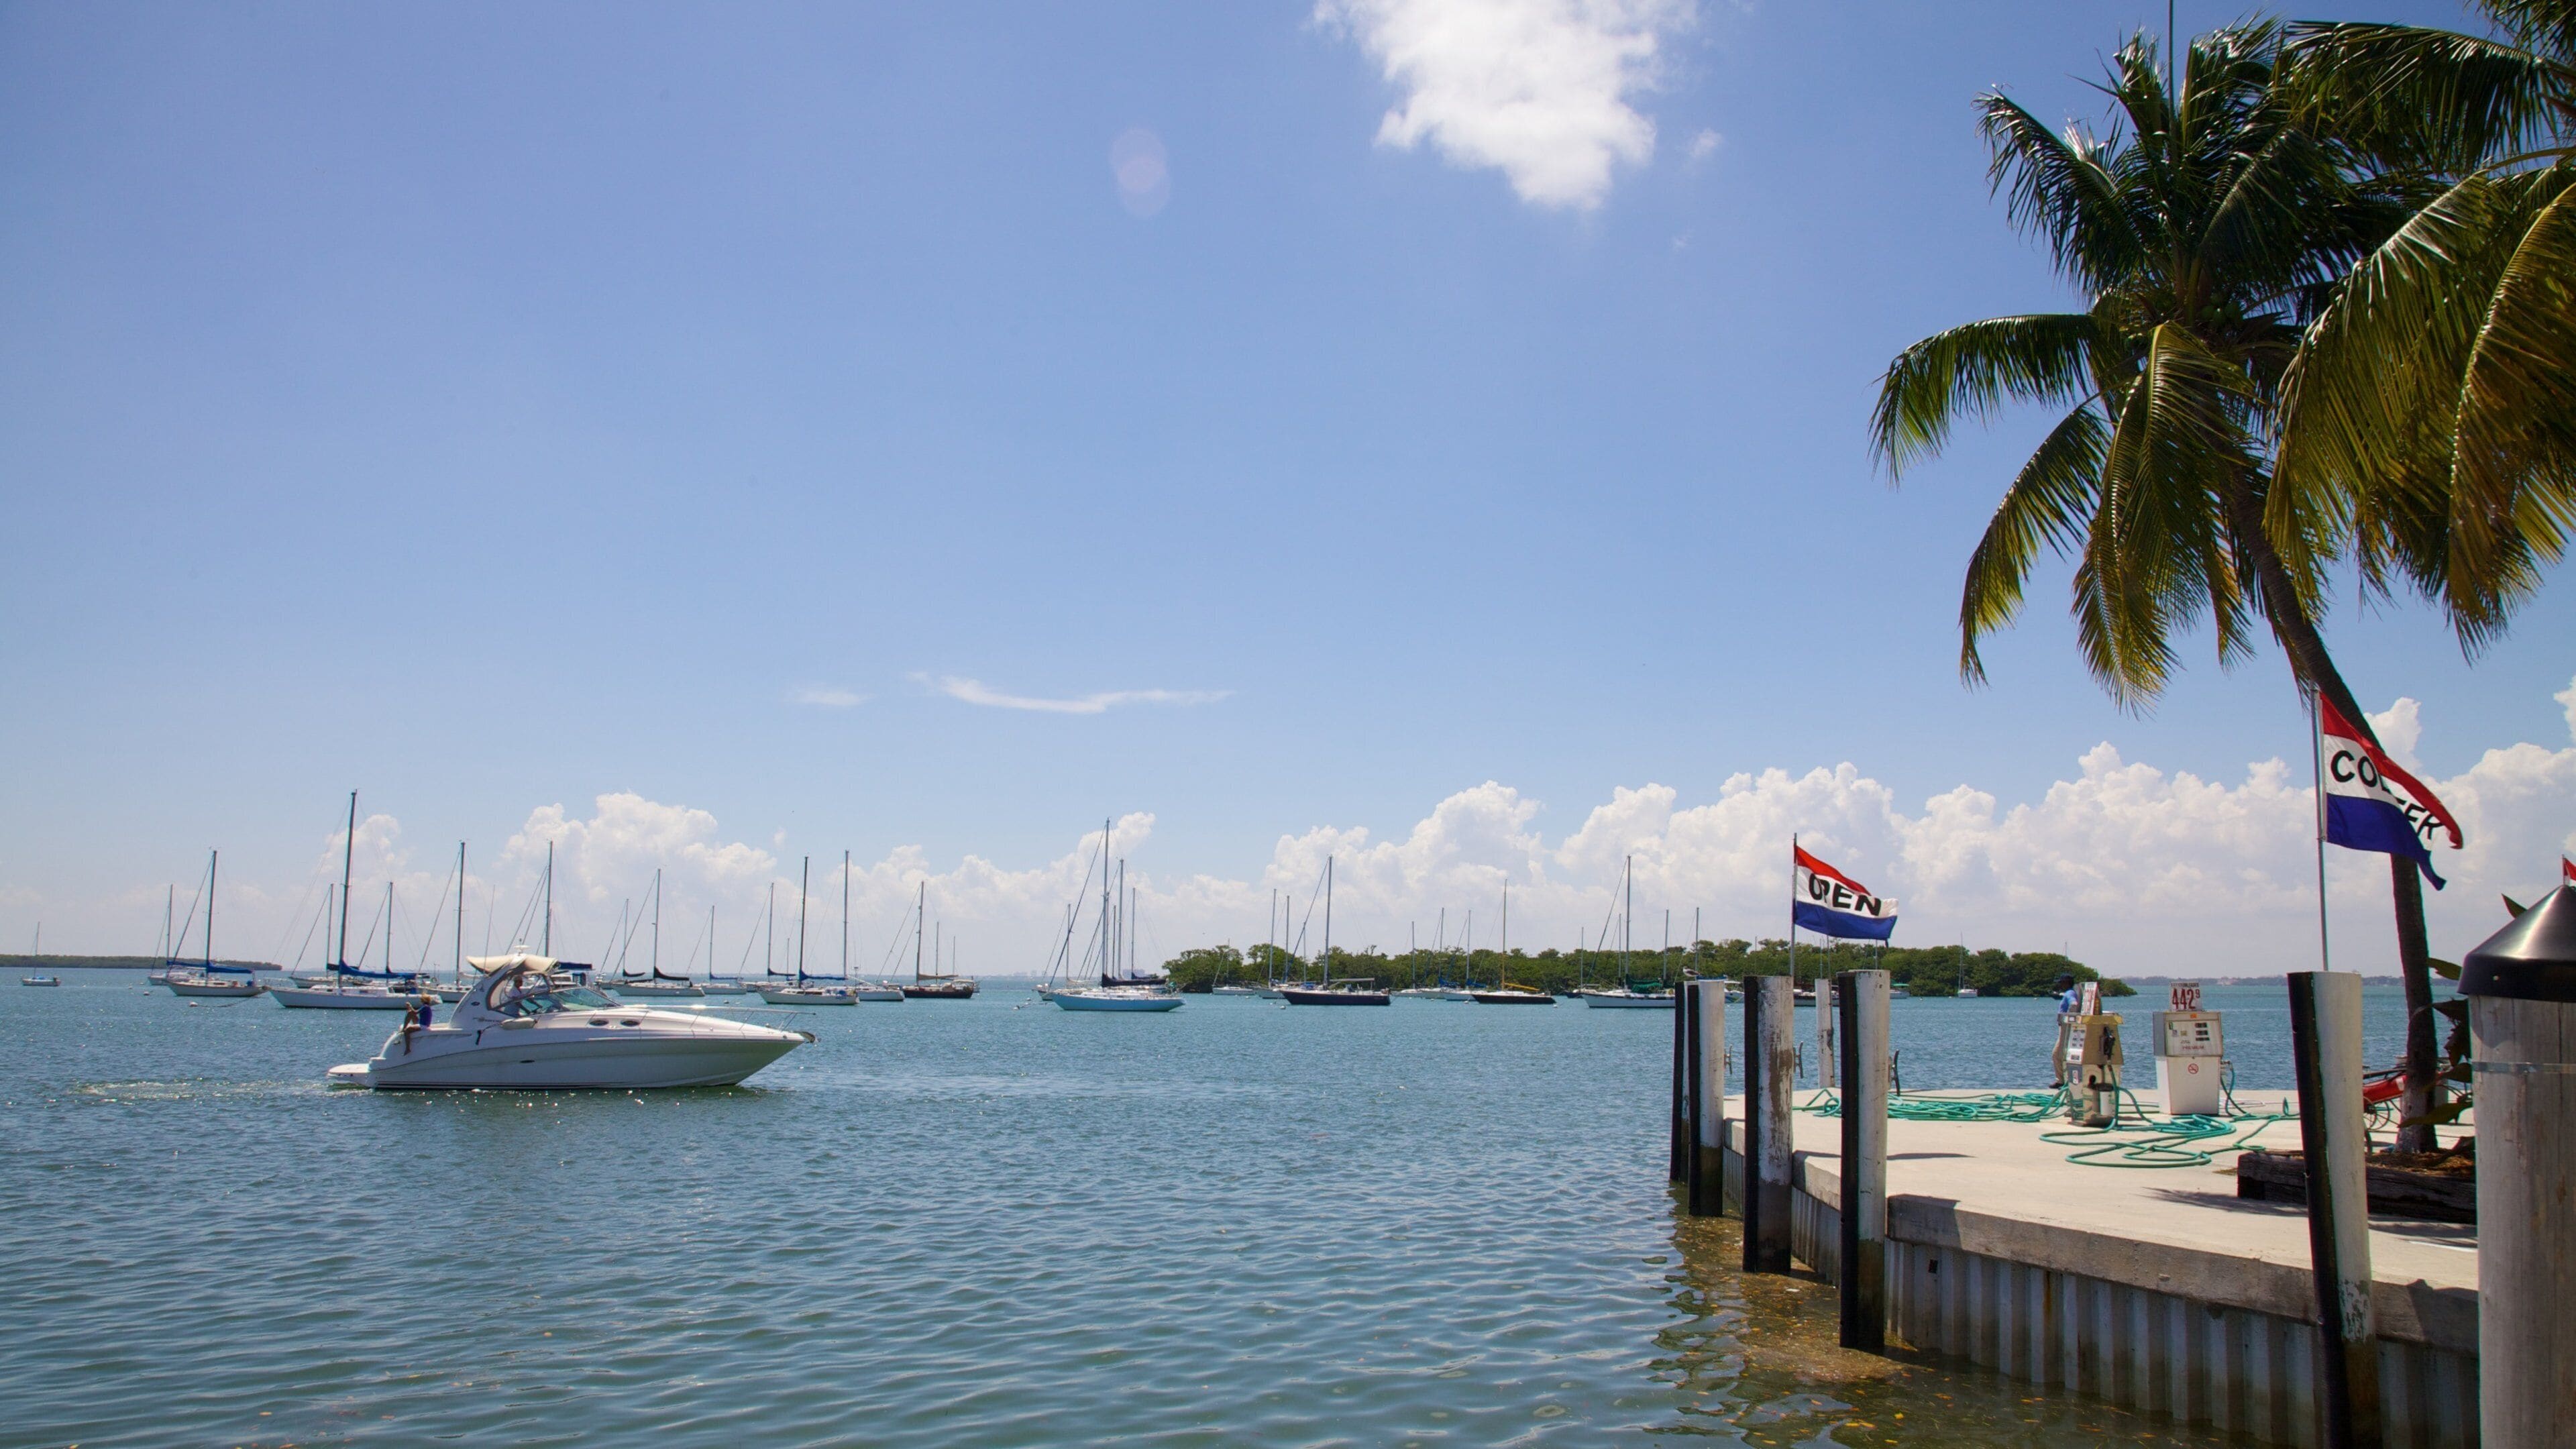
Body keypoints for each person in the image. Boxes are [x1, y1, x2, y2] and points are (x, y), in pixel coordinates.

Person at [2049, 973, 2080, 1088]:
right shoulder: (2068, 993)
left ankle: (2061, 1080)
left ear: (2066, 983)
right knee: (2060, 1054)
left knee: (2056, 1053)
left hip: (2065, 1026)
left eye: (2061, 982)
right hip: (2063, 1026)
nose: (2060, 985)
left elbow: (2074, 1004)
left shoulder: (2070, 993)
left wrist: (2067, 1018)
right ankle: (2063, 1080)